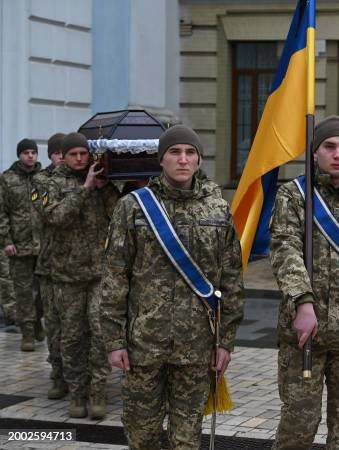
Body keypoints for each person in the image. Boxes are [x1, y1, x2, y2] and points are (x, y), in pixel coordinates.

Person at [100, 125, 245, 450]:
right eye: (174, 152)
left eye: (190, 153)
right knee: (142, 435)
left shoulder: (217, 210)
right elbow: (114, 277)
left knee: (186, 439)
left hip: (196, 347)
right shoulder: (133, 207)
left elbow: (231, 281)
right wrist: (114, 341)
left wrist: (226, 343)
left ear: (198, 160)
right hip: (143, 346)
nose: (183, 159)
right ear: (161, 159)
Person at [269, 115, 339, 449]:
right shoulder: (294, 196)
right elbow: (284, 249)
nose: (338, 153)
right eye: (329, 146)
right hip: (305, 334)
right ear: (315, 152)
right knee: (297, 429)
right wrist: (303, 301)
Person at [41, 132, 119, 419]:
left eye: (83, 154)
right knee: (72, 337)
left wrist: (105, 188)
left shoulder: (100, 184)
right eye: (73, 154)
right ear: (64, 155)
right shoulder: (48, 183)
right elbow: (55, 217)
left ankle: (98, 392)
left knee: (100, 335)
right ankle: (77, 393)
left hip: (99, 273)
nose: (78, 159)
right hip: (66, 275)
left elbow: (118, 216)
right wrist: (85, 188)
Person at [0, 138, 44, 351]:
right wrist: (6, 241)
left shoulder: (45, 178)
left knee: (44, 291)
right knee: (24, 291)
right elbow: (1, 213)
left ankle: (36, 320)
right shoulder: (7, 179)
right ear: (19, 155)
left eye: (33, 152)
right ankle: (27, 332)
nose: (30, 156)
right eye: (26, 152)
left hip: (44, 245)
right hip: (19, 245)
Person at [32, 132, 68, 399]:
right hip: (50, 267)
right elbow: (50, 212)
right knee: (54, 325)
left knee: (80, 328)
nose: (62, 159)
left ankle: (82, 377)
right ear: (52, 156)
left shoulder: (81, 178)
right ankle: (58, 375)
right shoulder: (39, 182)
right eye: (58, 154)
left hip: (80, 267)